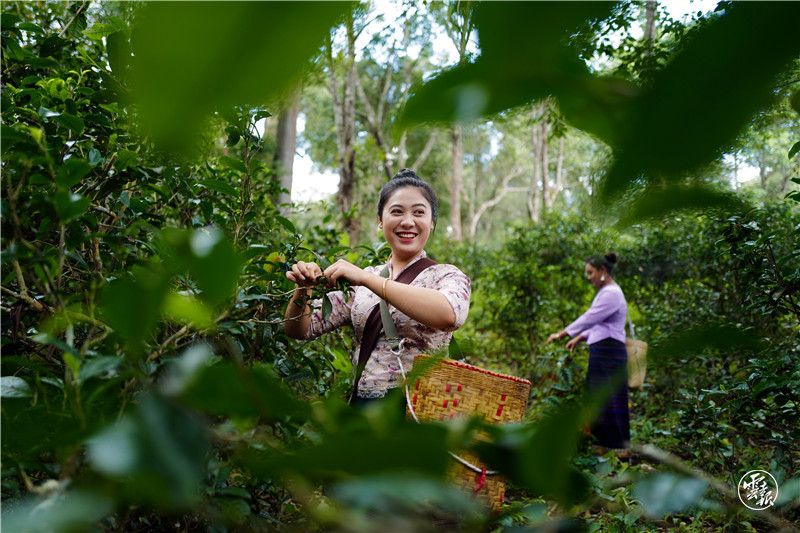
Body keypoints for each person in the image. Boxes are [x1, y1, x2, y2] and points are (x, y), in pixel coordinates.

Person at [284, 169, 471, 407]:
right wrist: (304, 288)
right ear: (380, 221)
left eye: (419, 213)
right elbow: (299, 329)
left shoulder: (446, 275)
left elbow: (449, 315)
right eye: (396, 211)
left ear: (431, 223)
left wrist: (365, 278)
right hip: (363, 408)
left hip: (419, 409)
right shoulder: (363, 280)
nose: (407, 221)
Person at [547, 252, 630, 459]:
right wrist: (581, 338)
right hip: (603, 352)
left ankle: (618, 454)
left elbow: (590, 318)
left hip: (609, 353)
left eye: (591, 272)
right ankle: (602, 452)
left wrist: (563, 333)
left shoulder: (612, 293)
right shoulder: (606, 291)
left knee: (609, 400)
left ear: (602, 271)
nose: (589, 277)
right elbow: (601, 323)